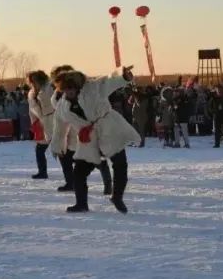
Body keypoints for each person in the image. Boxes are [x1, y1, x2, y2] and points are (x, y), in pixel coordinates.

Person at [57, 66, 140, 213]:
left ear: (77, 86)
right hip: (89, 139)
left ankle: (117, 196)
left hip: (108, 129)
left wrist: (124, 76)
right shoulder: (63, 106)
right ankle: (81, 204)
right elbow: (59, 126)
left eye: (72, 87)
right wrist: (57, 145)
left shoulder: (92, 88)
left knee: (120, 164)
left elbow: (109, 81)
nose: (69, 91)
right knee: (79, 171)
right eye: (66, 88)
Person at [26, 70, 55, 180]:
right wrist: (34, 123)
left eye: (35, 81)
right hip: (43, 123)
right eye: (31, 81)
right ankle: (42, 172)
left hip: (55, 120)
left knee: (65, 150)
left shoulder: (50, 89)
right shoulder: (32, 94)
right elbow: (32, 110)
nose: (33, 83)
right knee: (40, 149)